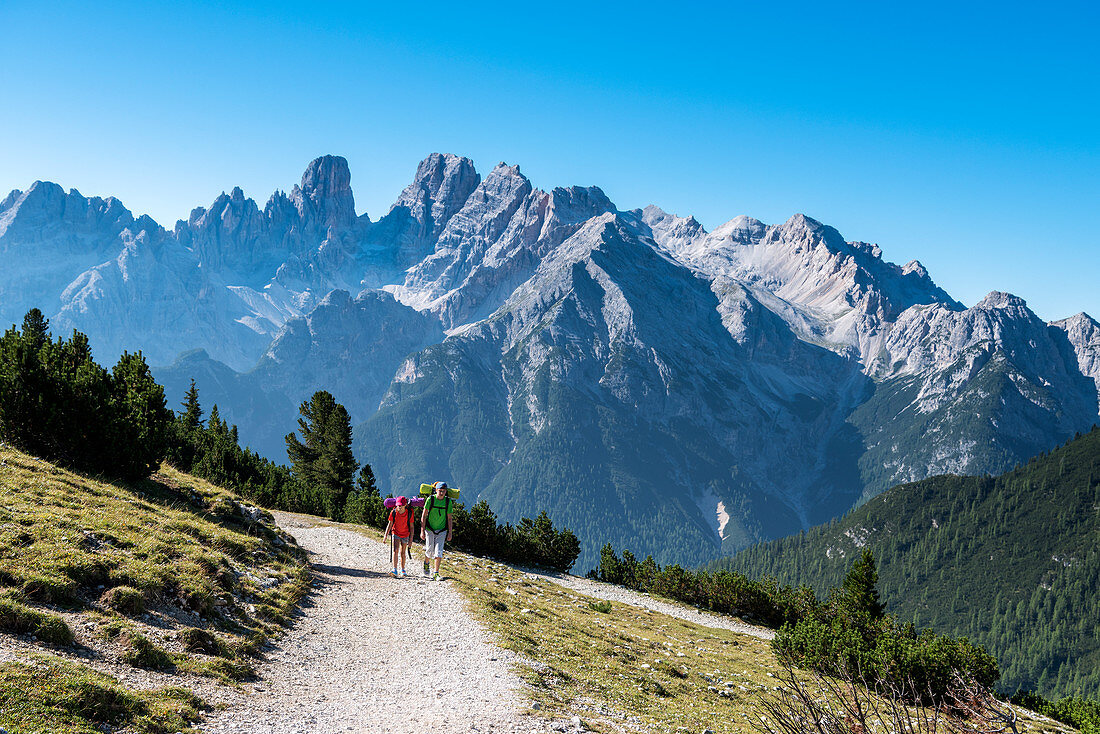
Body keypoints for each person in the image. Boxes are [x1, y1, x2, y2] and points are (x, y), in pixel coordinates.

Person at [420, 481, 453, 580]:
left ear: (446, 491)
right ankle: (426, 563)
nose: (441, 493)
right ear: (436, 490)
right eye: (440, 491)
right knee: (429, 550)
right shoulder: (430, 499)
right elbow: (424, 515)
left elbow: (450, 518)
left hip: (442, 530)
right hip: (429, 529)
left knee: (438, 552)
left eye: (443, 491)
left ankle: (436, 573)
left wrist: (450, 532)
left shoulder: (448, 502)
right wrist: (422, 530)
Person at [383, 496, 417, 577]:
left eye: (401, 505)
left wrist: (411, 540)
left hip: (405, 534)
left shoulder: (410, 513)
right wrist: (385, 536)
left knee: (403, 552)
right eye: (398, 505)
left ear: (405, 505)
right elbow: (390, 524)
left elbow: (412, 527)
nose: (399, 507)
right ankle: (394, 569)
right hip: (396, 533)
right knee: (395, 550)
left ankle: (403, 569)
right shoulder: (394, 512)